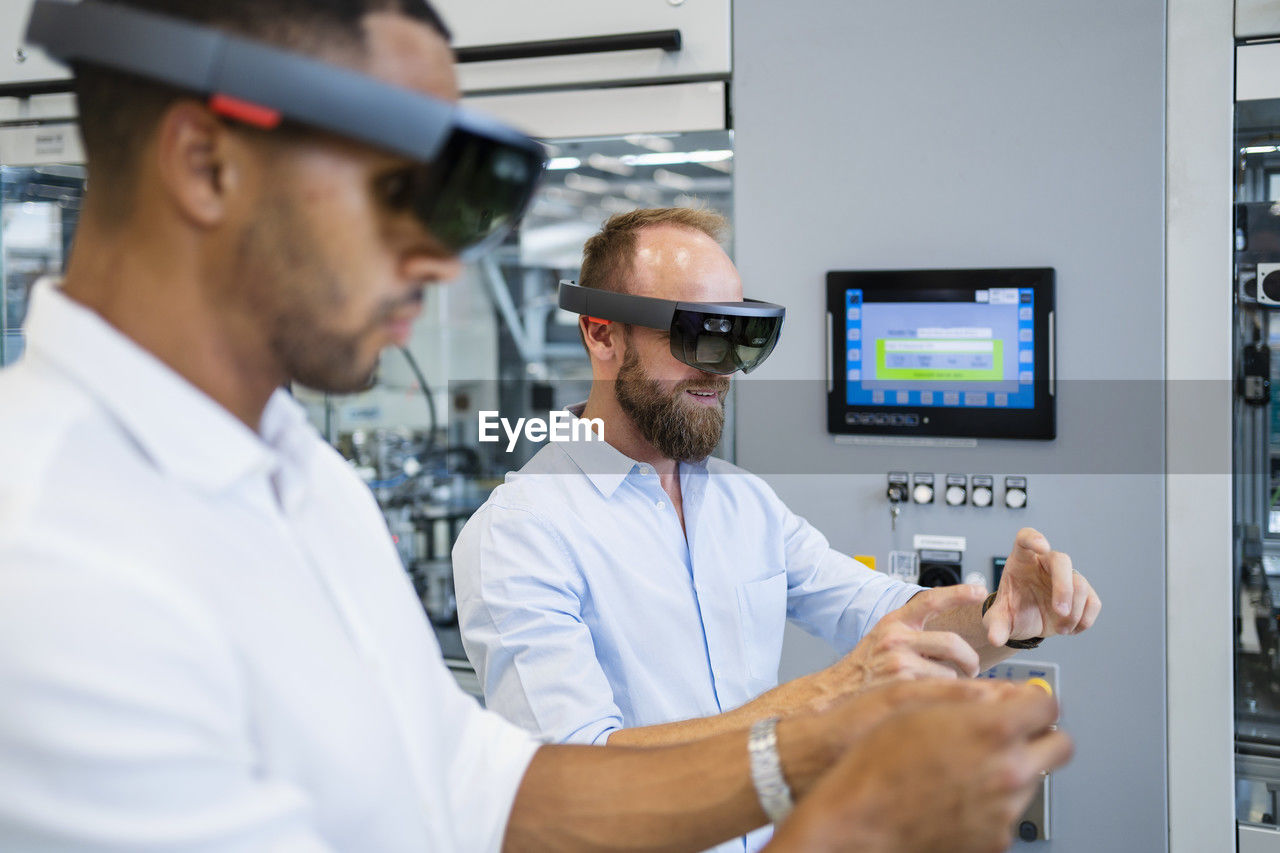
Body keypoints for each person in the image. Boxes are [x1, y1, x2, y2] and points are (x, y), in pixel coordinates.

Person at [0, 2, 1073, 851]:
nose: (439, 260)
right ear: (206, 163)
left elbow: (488, 796)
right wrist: (850, 817)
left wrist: (832, 720)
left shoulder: (305, 486)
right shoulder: (51, 559)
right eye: (398, 190)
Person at [454, 207, 1100, 849]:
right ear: (602, 335)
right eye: (700, 337)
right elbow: (573, 776)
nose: (723, 367)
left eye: (742, 339)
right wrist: (825, 698)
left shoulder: (743, 502)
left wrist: (1011, 614)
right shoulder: (523, 531)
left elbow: (894, 620)